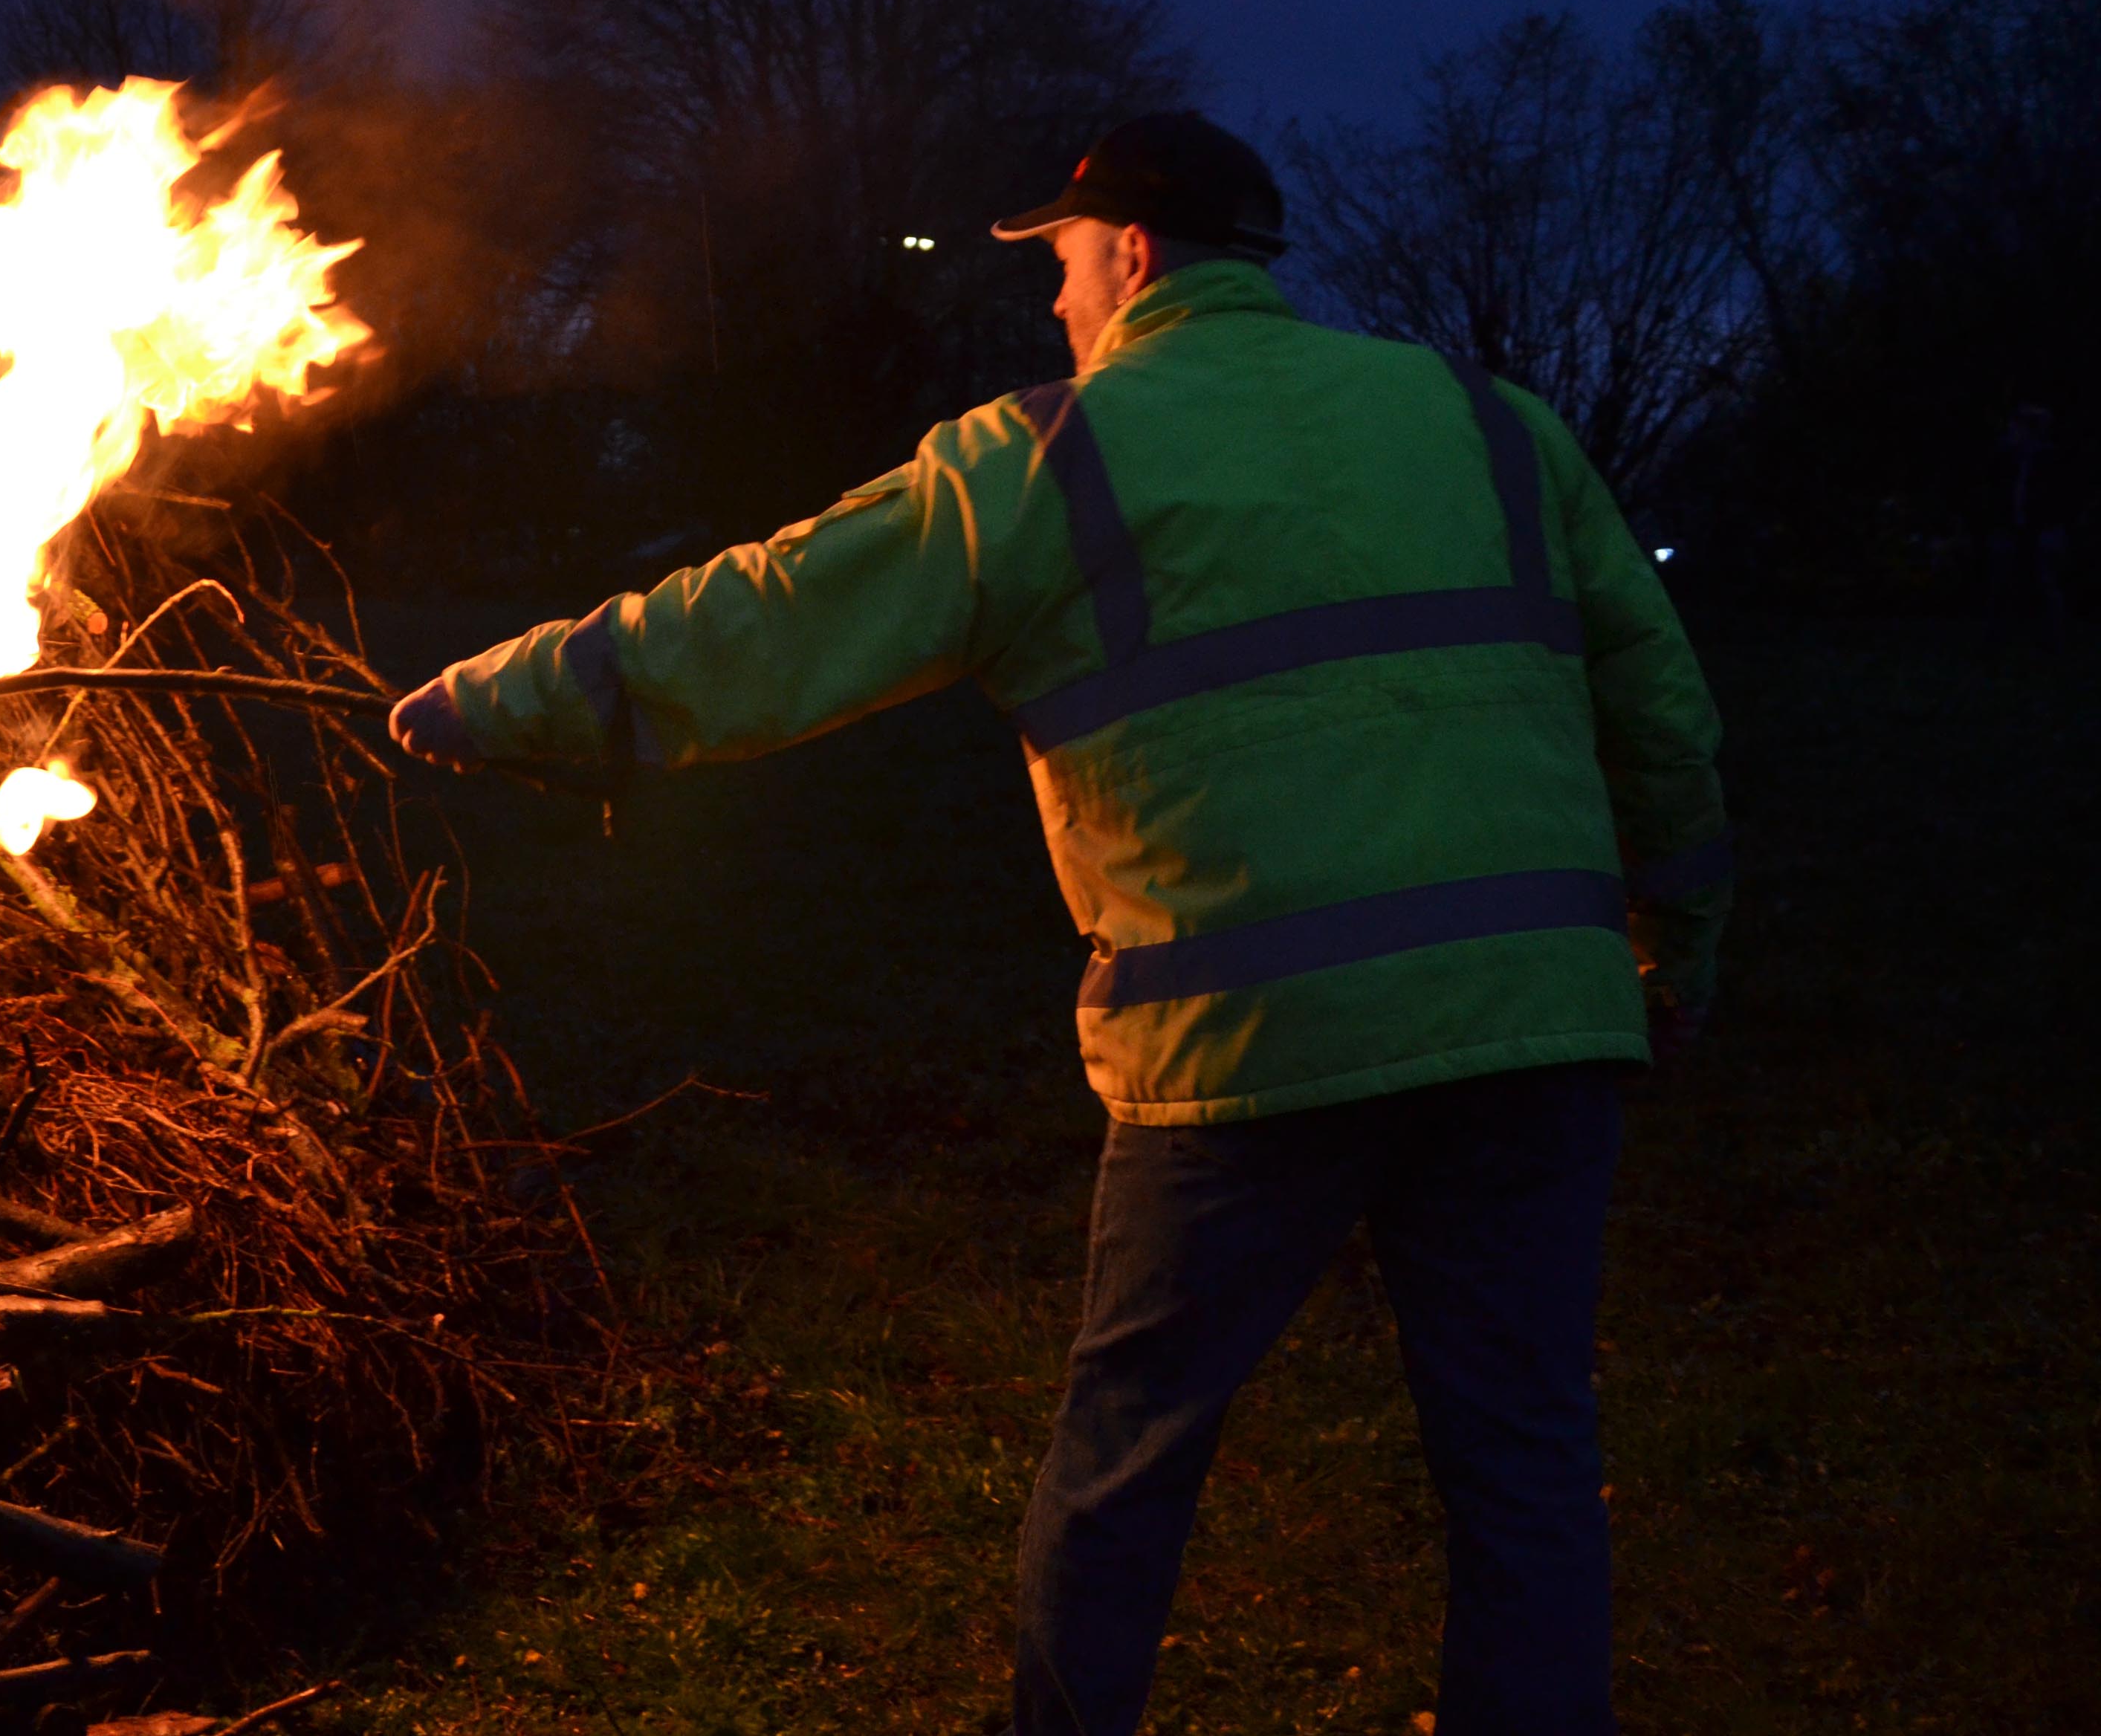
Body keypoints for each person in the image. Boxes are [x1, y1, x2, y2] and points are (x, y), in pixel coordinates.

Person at [388, 111, 1729, 1736]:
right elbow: (1658, 699)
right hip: (1534, 1027)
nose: (1052, 303)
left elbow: (772, 615)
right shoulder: (1487, 420)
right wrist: (1674, 942)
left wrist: (510, 701)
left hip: (1252, 1046)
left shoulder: (1045, 459)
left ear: (1138, 255)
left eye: (1066, 264)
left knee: (1127, 1462)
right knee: (1522, 1463)